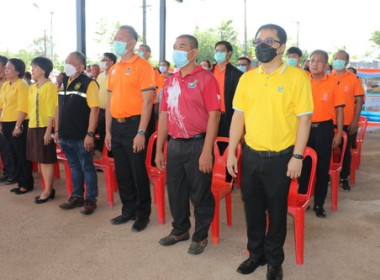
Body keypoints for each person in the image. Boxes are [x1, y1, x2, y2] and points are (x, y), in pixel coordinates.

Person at [226, 24, 313, 280]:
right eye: (259, 40)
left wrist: (297, 156)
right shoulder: (247, 78)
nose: (263, 45)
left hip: (282, 158)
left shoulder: (297, 77)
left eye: (270, 41)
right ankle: (256, 254)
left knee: (276, 211)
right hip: (251, 155)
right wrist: (232, 151)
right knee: (252, 208)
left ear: (282, 47)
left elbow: (305, 119)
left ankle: (275, 259)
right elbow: (237, 117)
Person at [155, 34, 220, 255]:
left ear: (194, 53)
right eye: (174, 47)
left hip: (197, 144)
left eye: (181, 47)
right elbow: (163, 116)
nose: (176, 51)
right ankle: (180, 229)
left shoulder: (206, 78)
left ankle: (200, 236)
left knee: (200, 192)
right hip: (175, 145)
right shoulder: (170, 80)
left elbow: (214, 116)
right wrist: (159, 149)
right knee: (175, 191)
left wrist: (207, 152)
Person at [106, 25, 155, 232]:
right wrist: (108, 131)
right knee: (123, 172)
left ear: (132, 42)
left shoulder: (142, 66)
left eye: (121, 38)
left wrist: (141, 132)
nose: (117, 41)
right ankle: (128, 210)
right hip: (116, 127)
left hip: (135, 126)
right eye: (115, 37)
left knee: (137, 172)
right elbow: (109, 101)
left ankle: (143, 214)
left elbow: (148, 102)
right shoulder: (115, 68)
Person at [298, 50, 344, 218]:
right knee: (303, 166)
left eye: (319, 61)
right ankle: (303, 199)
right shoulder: (303, 81)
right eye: (312, 60)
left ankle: (319, 204)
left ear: (326, 65)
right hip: (304, 128)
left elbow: (339, 110)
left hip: (324, 129)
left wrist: (338, 133)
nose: (315, 63)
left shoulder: (333, 83)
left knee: (322, 168)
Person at [56, 51, 100, 215]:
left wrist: (90, 134)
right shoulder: (64, 81)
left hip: (82, 136)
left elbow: (94, 110)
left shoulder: (89, 83)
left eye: (70, 62)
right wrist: (57, 130)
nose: (66, 64)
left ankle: (90, 199)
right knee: (74, 166)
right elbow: (59, 108)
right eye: (66, 61)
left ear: (80, 67)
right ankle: (76, 196)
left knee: (87, 167)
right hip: (65, 134)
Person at [330, 50, 364, 191]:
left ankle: (344, 177)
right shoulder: (327, 78)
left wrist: (355, 121)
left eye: (341, 59)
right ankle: (326, 176)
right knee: (329, 151)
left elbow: (359, 100)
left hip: (347, 122)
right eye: (335, 58)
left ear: (347, 62)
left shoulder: (353, 79)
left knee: (345, 151)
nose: (337, 61)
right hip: (329, 121)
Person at [0, 58, 34, 194]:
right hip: (6, 122)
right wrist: (1, 123)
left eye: (9, 68)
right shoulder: (6, 85)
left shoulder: (22, 85)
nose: (5, 70)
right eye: (5, 68)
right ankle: (20, 181)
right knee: (12, 153)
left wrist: (18, 126)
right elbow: (2, 106)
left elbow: (23, 108)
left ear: (18, 71)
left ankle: (27, 183)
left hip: (18, 122)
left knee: (21, 154)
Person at [27, 56, 58, 203]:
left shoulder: (50, 87)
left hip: (44, 127)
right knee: (40, 160)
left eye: (35, 67)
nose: (31, 70)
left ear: (44, 70)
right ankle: (47, 188)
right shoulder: (32, 88)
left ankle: (48, 190)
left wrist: (48, 131)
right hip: (33, 126)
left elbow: (52, 110)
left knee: (46, 160)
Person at [213, 40, 243, 137]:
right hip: (209, 115)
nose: (219, 53)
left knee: (224, 145)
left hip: (227, 116)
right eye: (216, 51)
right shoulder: (209, 72)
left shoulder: (236, 74)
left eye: (222, 50)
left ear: (229, 53)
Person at [95, 52, 117, 153]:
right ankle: (102, 153)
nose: (102, 62)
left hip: (111, 110)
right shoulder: (100, 76)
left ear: (111, 62)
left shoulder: (116, 75)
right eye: (102, 60)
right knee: (102, 132)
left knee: (111, 133)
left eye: (104, 60)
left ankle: (111, 155)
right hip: (100, 109)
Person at [0, 55, 14, 184]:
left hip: (9, 119)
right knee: (3, 148)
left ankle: (12, 174)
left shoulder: (10, 83)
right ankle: (7, 172)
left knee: (8, 148)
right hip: (3, 119)